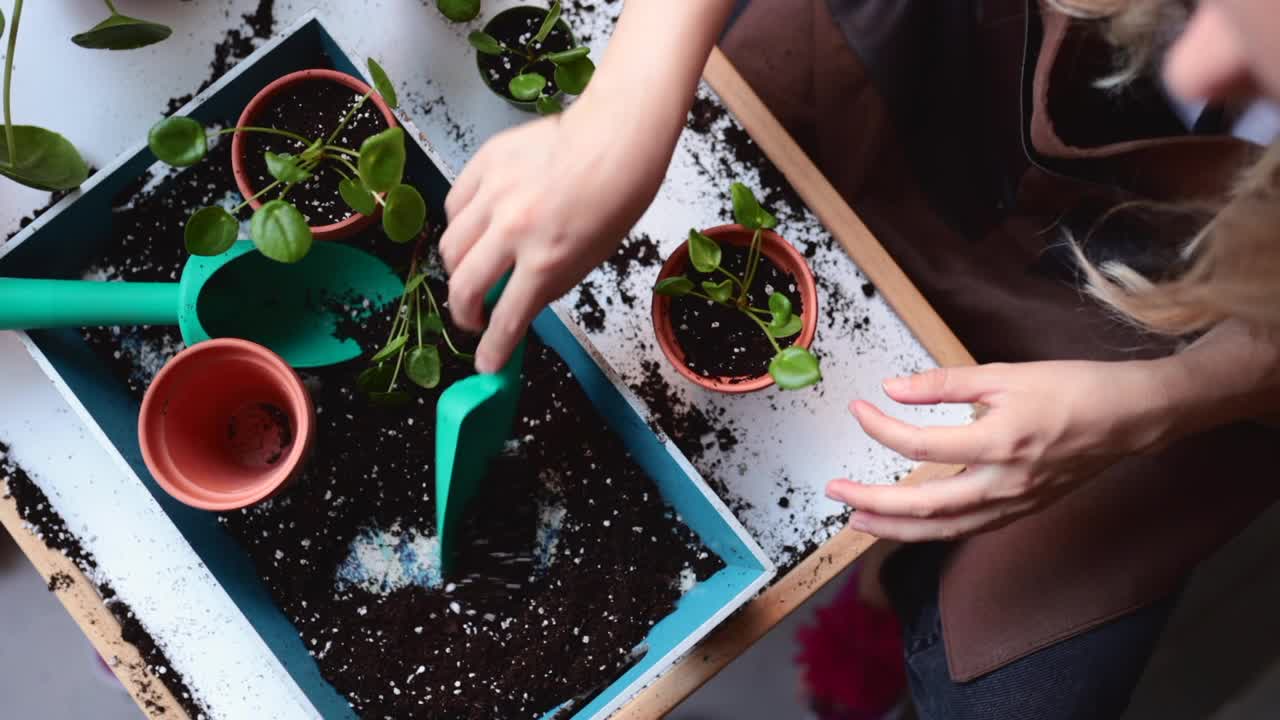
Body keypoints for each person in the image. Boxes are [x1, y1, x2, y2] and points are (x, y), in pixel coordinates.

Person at [443, 0, 1280, 718]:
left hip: (1196, 326)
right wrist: (626, 102)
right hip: (894, 69)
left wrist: (1158, 403)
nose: (1194, 67)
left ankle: (886, 597)